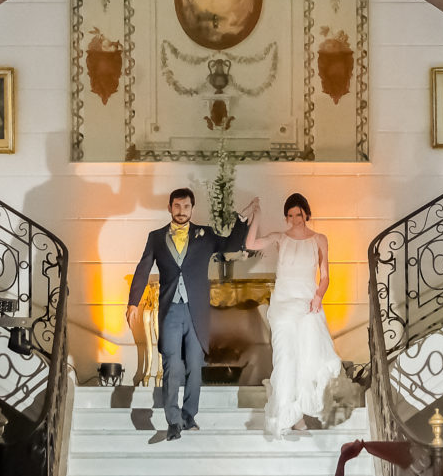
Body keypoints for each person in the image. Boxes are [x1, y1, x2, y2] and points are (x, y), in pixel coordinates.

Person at [124, 186, 257, 441]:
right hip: (170, 311)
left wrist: (242, 219)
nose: (181, 210)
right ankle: (173, 421)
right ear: (169, 207)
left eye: (186, 206)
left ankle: (189, 416)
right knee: (172, 364)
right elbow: (142, 269)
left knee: (195, 366)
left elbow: (230, 245)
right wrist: (133, 303)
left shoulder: (205, 235)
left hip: (196, 311)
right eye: (177, 206)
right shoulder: (156, 237)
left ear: (192, 209)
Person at [239, 193, 351, 439]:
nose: (294, 219)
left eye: (297, 214)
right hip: (282, 305)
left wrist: (319, 296)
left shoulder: (319, 239)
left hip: (307, 303)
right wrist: (257, 215)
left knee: (307, 357)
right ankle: (285, 414)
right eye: (289, 215)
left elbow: (325, 276)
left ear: (306, 214)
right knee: (286, 358)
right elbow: (251, 244)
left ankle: (297, 415)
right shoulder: (280, 238)